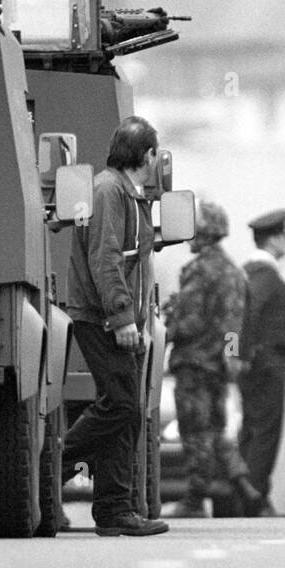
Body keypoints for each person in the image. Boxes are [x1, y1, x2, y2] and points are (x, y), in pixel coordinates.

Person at [61, 116, 170, 536]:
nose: (158, 160)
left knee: (127, 412)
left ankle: (114, 510)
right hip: (102, 318)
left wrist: (136, 320)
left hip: (120, 320)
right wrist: (122, 316)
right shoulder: (109, 191)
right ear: (147, 155)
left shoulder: (129, 193)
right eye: (157, 153)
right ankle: (52, 462)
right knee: (122, 405)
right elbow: (105, 258)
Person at [163, 200, 268, 518]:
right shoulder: (234, 271)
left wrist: (166, 322)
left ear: (205, 233)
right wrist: (231, 358)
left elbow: (192, 321)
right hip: (218, 366)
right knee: (215, 430)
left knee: (194, 431)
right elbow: (234, 323)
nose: (189, 236)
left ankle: (195, 499)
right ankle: (244, 485)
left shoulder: (200, 270)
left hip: (194, 362)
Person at [237, 209, 285, 511]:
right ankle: (255, 495)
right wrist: (240, 353)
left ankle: (247, 494)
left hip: (256, 362)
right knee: (265, 432)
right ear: (275, 239)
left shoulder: (249, 272)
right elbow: (245, 315)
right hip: (266, 363)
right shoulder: (265, 276)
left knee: (252, 429)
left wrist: (237, 354)